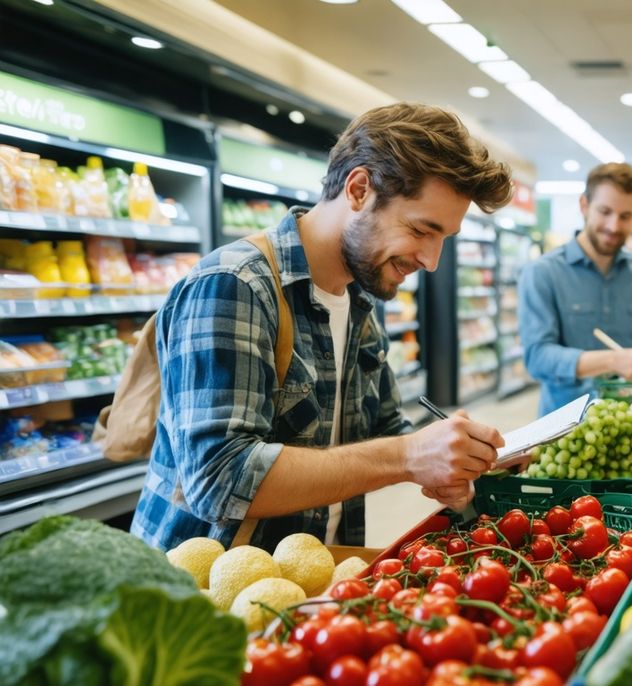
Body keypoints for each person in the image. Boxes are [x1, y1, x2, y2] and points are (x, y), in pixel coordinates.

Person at [133, 103, 513, 551]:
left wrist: (453, 455)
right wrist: (409, 456)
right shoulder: (235, 286)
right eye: (420, 230)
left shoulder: (359, 300)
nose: (432, 261)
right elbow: (217, 477)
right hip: (204, 597)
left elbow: (386, 432)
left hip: (307, 578)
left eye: (443, 239)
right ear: (358, 190)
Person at [518, 162, 632, 416]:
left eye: (625, 216)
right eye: (605, 211)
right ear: (584, 205)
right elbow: (537, 358)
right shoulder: (543, 273)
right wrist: (613, 361)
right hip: (565, 431)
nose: (614, 226)